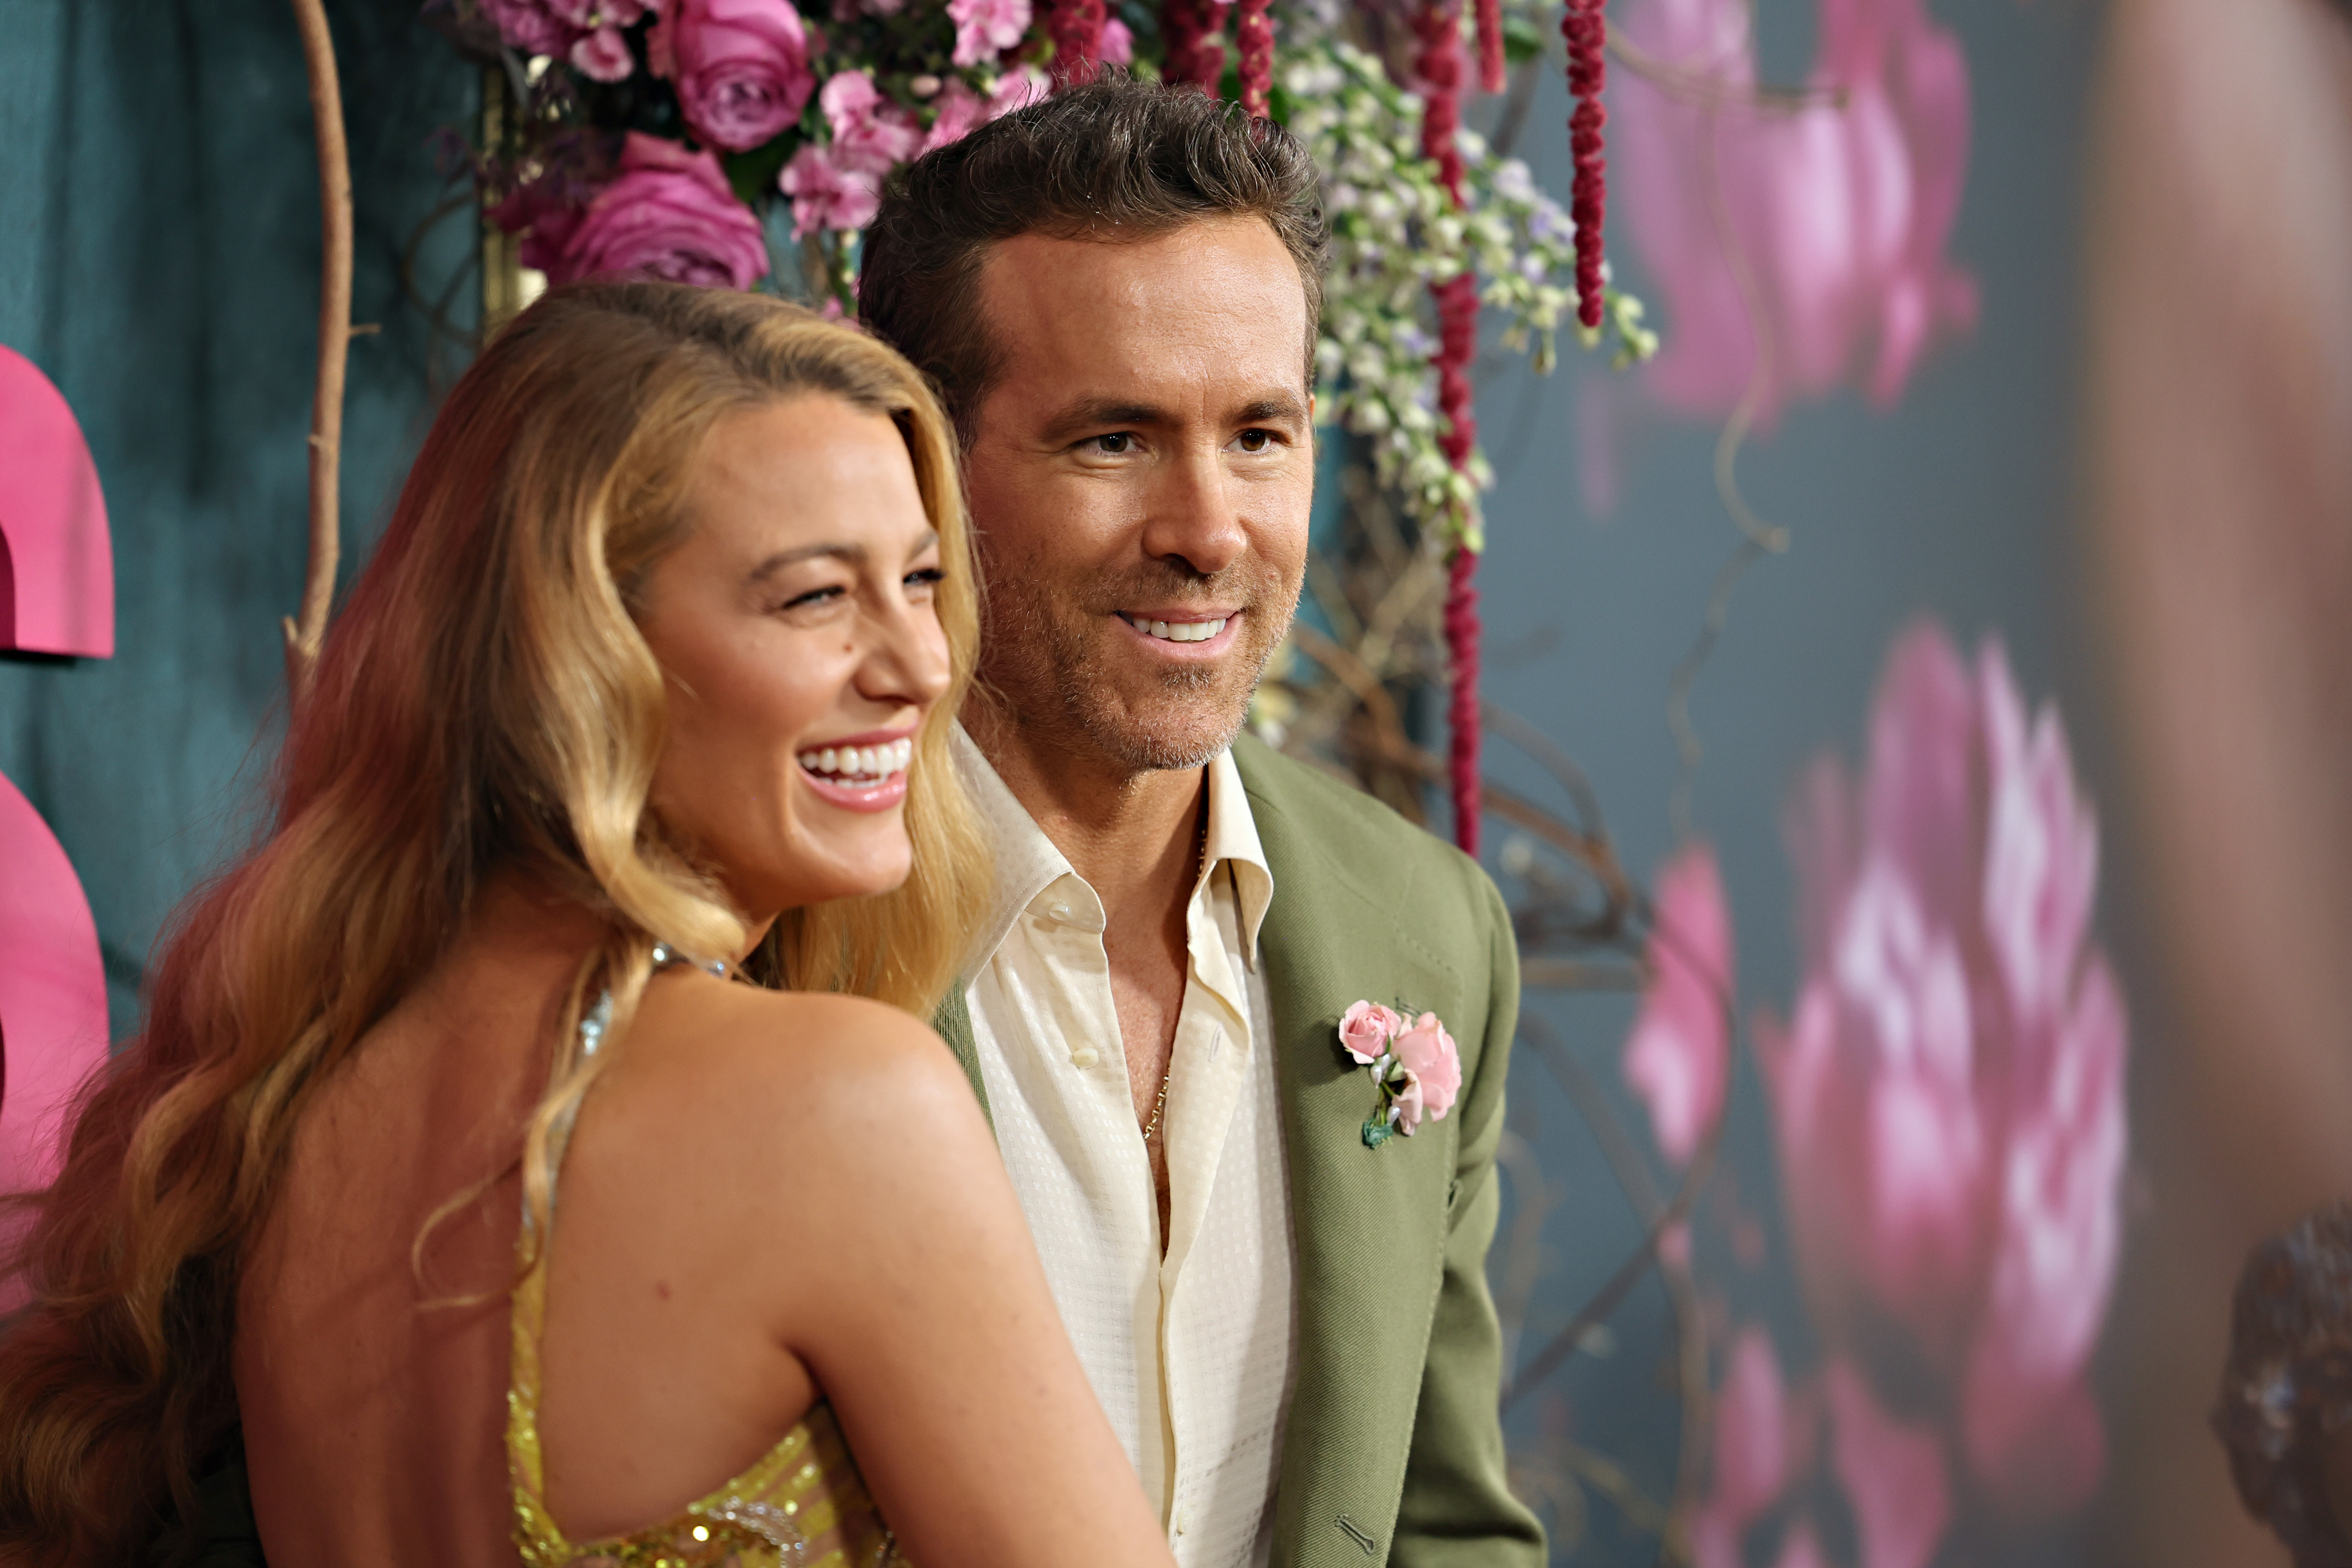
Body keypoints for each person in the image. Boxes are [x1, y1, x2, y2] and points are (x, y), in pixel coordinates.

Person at [0, 283, 1175, 1567]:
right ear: (579, 651)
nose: (921, 665)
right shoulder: (842, 1105)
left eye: (920, 581)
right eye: (815, 599)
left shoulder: (283, 1105)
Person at [856, 79, 1545, 1566]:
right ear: (924, 461)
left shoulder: (1427, 926)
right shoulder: (755, 926)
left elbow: (1440, 1529)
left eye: (1259, 435)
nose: (1208, 531)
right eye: (1114, 440)